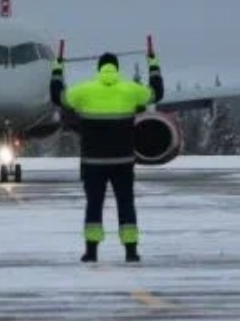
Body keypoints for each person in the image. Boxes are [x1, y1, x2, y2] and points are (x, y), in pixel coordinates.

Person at [50, 48, 165, 262]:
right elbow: (157, 92)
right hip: (123, 161)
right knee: (126, 204)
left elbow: (57, 96)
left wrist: (58, 67)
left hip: (93, 162)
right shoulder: (130, 90)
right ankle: (131, 251)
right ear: (117, 69)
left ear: (99, 68)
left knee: (94, 204)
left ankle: (91, 251)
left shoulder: (84, 91)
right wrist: (153, 62)